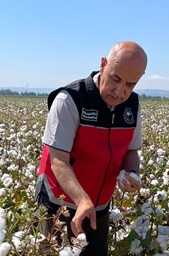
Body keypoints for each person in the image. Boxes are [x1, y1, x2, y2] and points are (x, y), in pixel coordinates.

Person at [35, 41, 147, 255]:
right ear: (103, 64)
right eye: (115, 78)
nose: (119, 91)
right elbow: (58, 160)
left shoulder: (133, 106)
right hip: (57, 205)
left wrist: (133, 174)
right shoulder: (70, 99)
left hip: (99, 207)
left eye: (130, 84)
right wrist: (81, 199)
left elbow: (131, 151)